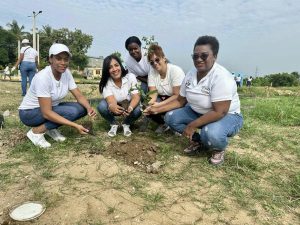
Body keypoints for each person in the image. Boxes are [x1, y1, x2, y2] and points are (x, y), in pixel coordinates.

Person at [145, 36, 243, 165]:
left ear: (215, 56)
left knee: (211, 133)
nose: (199, 59)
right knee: (170, 118)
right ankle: (198, 141)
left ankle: (218, 148)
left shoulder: (221, 77)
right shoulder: (191, 74)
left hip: (226, 115)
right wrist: (156, 109)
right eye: (195, 56)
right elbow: (180, 101)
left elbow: (219, 112)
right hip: (197, 112)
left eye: (204, 56)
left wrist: (192, 125)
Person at [18, 43, 96, 148]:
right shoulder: (43, 77)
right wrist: (75, 125)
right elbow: (46, 113)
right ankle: (36, 133)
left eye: (66, 59)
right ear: (51, 59)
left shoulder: (66, 73)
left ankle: (50, 129)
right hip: (30, 113)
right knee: (71, 112)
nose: (63, 63)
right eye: (59, 59)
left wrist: (89, 108)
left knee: (82, 108)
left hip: (50, 108)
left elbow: (79, 96)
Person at [98, 54, 141, 137]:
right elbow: (111, 100)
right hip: (116, 105)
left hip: (129, 104)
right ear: (107, 70)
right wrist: (112, 106)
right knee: (102, 106)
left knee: (138, 109)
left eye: (116, 65)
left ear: (120, 66)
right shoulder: (106, 82)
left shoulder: (130, 77)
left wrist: (130, 108)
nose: (114, 69)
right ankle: (114, 124)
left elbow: (136, 96)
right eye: (110, 67)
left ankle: (126, 123)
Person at [147, 44, 185, 133]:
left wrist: (159, 105)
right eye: (152, 62)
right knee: (149, 108)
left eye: (157, 60)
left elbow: (177, 95)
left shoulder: (175, 71)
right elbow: (153, 93)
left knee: (166, 111)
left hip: (178, 100)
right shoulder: (152, 72)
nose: (155, 63)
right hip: (164, 98)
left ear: (164, 58)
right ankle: (163, 124)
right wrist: (150, 103)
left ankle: (175, 124)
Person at [124, 36, 151, 131]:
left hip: (156, 76)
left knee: (155, 97)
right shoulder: (128, 61)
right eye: (130, 50)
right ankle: (146, 118)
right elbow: (135, 76)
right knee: (143, 94)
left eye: (135, 48)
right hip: (144, 78)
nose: (133, 51)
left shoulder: (148, 54)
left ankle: (161, 119)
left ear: (140, 47)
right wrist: (147, 81)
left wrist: (152, 83)